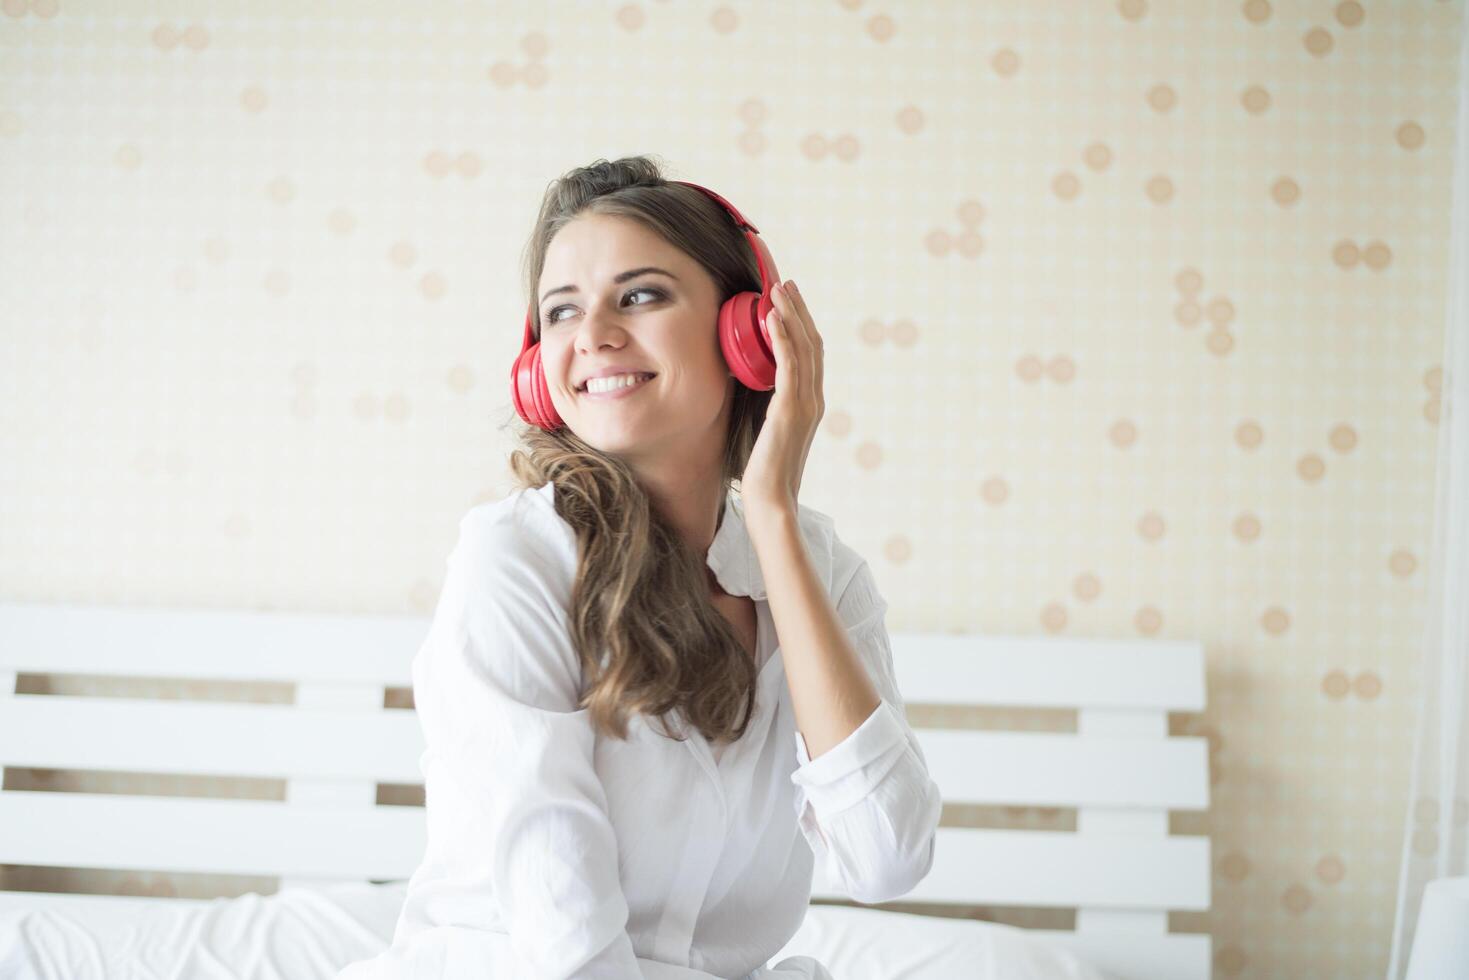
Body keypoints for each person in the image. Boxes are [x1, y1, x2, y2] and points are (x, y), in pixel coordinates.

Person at [336, 155, 942, 979]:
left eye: (640, 295)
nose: (592, 337)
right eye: (560, 312)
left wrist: (772, 519)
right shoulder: (515, 556)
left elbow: (887, 857)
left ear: (748, 335)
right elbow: (565, 936)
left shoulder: (819, 569)